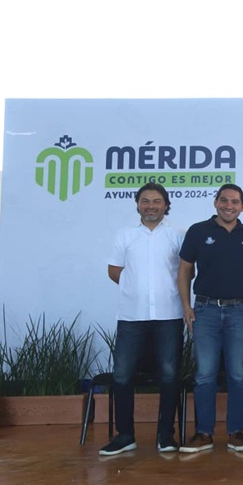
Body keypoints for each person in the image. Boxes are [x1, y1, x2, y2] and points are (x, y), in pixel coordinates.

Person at [177, 184, 243, 453]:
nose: (229, 206)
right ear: (215, 203)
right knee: (204, 375)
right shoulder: (198, 231)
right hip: (205, 311)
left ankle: (236, 432)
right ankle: (203, 433)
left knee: (238, 375)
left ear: (242, 206)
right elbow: (184, 271)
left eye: (235, 202)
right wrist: (186, 306)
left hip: (240, 311)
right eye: (224, 200)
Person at [100, 183, 185, 456]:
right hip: (131, 316)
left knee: (170, 376)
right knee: (122, 375)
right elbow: (114, 270)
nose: (151, 206)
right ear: (137, 204)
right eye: (145, 201)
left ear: (166, 205)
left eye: (157, 201)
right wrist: (135, 287)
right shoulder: (125, 235)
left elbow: (187, 271)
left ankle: (165, 435)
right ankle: (125, 435)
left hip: (169, 315)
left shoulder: (178, 235)